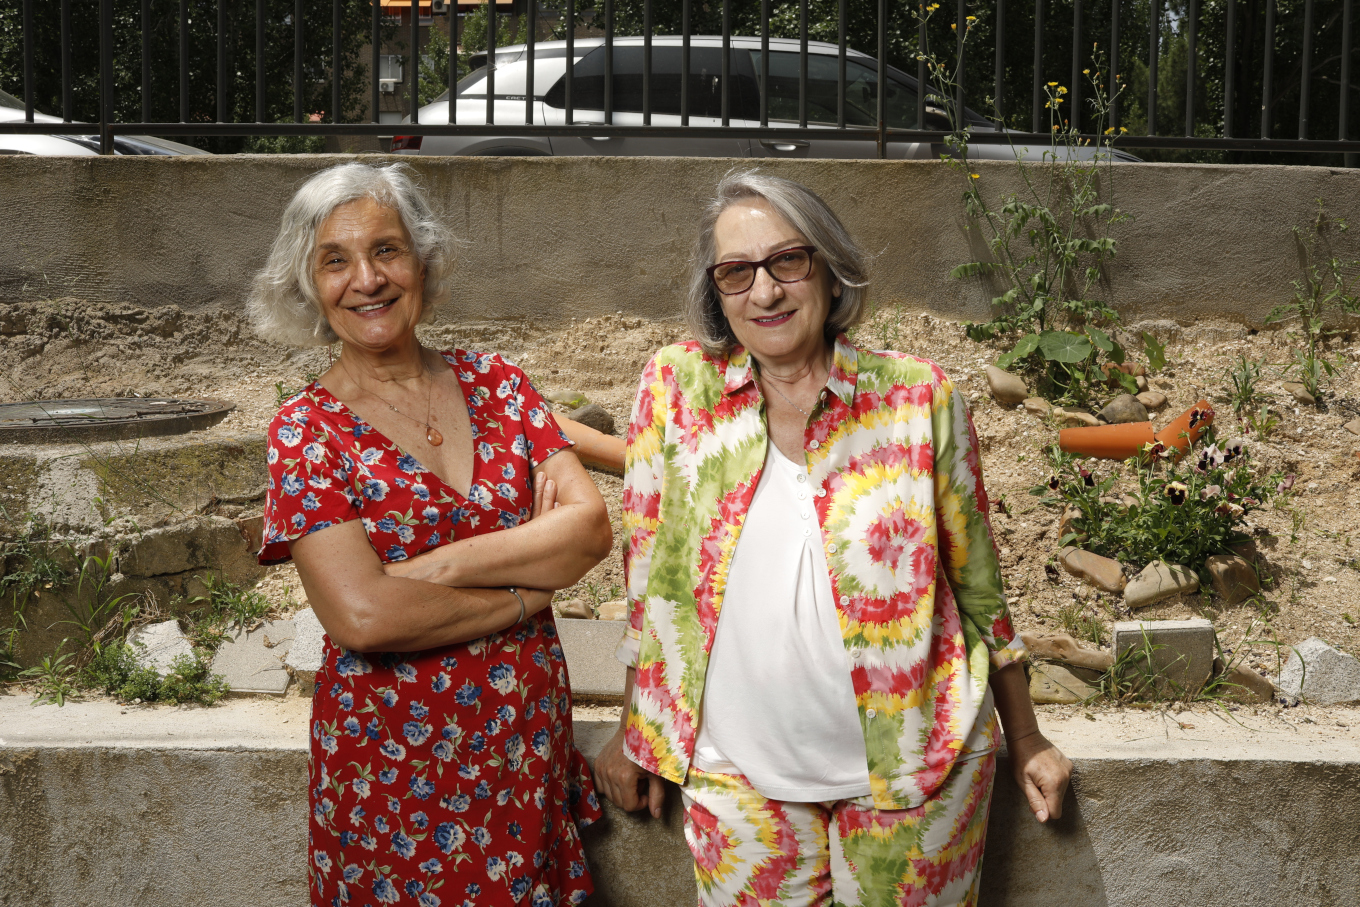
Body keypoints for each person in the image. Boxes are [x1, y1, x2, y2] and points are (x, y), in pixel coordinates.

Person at [593, 171, 1072, 907]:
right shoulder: (675, 389)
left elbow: (978, 582)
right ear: (716, 291)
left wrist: (1027, 736)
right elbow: (648, 577)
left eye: (787, 260)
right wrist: (638, 730)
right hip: (736, 778)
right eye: (736, 272)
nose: (765, 292)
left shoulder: (917, 396)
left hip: (916, 775)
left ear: (828, 265)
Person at [249, 161, 613, 907]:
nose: (367, 279)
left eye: (386, 249)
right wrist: (526, 593)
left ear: (422, 260)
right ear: (309, 285)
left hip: (524, 758)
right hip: (394, 782)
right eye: (335, 260)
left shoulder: (499, 383)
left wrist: (431, 570)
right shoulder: (306, 432)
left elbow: (588, 530)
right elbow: (364, 616)